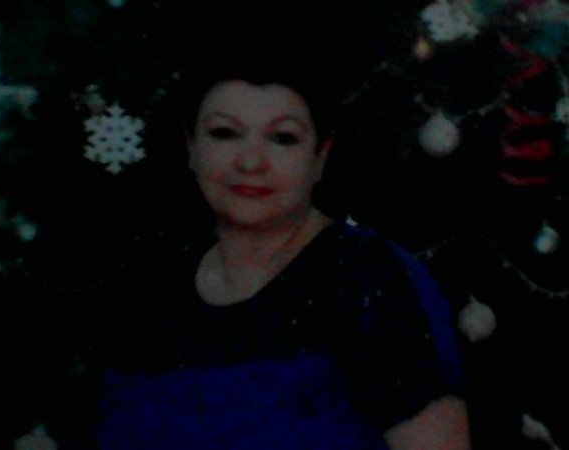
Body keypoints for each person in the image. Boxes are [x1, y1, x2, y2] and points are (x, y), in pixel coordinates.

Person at [89, 20, 471, 450]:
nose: (251, 162)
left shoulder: (369, 277)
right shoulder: (151, 289)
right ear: (191, 148)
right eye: (225, 133)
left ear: (320, 156)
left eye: (283, 138)